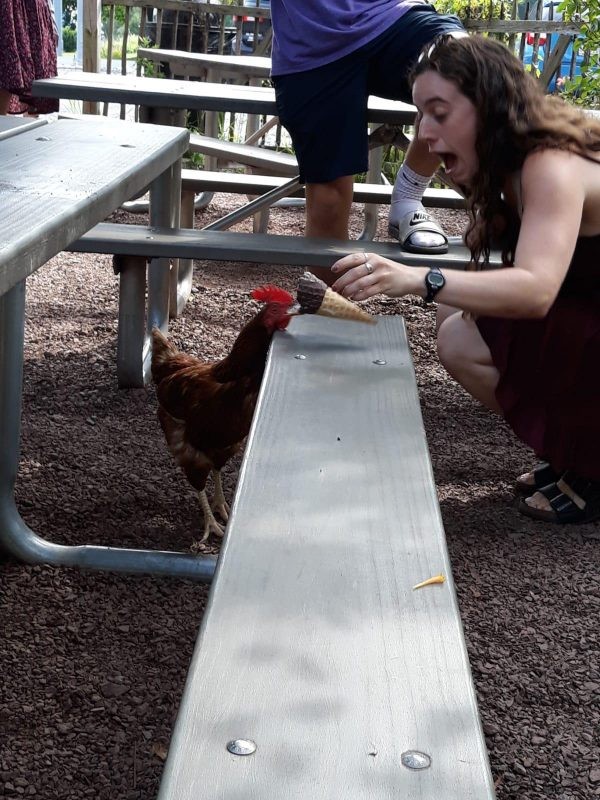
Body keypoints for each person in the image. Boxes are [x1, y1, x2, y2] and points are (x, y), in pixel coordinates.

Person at [330, 34, 600, 525]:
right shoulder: (515, 160)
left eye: (439, 113)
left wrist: (420, 278)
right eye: (420, 115)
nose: (425, 133)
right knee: (456, 314)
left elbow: (537, 290)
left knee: (459, 332)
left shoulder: (551, 164)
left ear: (489, 105)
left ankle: (591, 464)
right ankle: (573, 451)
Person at [269, 1, 467, 282]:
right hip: (313, 42)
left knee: (466, 66)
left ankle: (408, 198)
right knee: (328, 199)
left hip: (390, 16)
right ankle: (328, 307)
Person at [0, 0, 60, 116]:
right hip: (10, 10)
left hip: (30, 9)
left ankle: (28, 126)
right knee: (7, 77)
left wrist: (51, 15)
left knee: (32, 87)